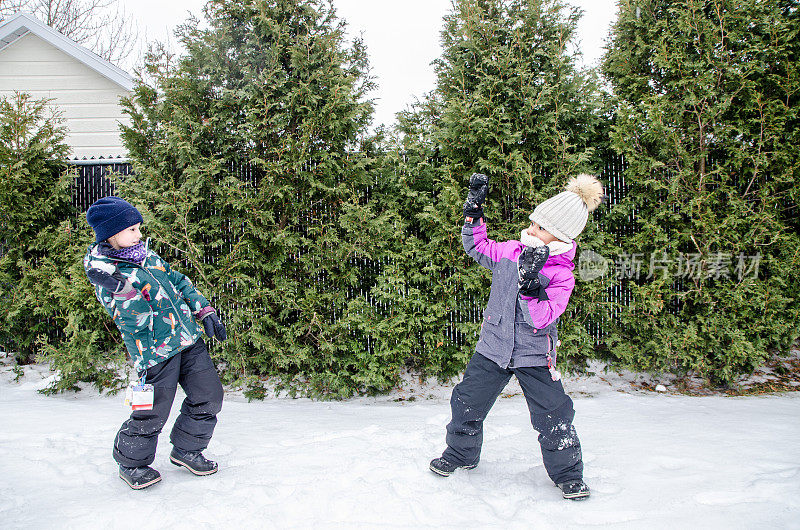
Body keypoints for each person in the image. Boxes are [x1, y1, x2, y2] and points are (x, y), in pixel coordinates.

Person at [429, 173, 604, 501]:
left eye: (541, 228)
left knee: (554, 413)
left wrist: (531, 287)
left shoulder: (561, 275)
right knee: (466, 401)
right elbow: (477, 246)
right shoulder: (512, 252)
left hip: (534, 353)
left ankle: (568, 474)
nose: (531, 231)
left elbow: (542, 318)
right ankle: (462, 454)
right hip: (493, 346)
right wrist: (473, 214)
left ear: (560, 237)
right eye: (533, 223)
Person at [83, 196, 227, 490]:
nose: (139, 235)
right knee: (152, 411)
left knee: (209, 395)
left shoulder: (148, 257)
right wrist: (123, 292)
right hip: (153, 353)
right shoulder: (106, 273)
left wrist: (204, 310)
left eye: (138, 228)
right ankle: (131, 464)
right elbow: (129, 319)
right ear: (111, 234)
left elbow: (179, 281)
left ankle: (187, 449)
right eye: (132, 230)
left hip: (187, 339)